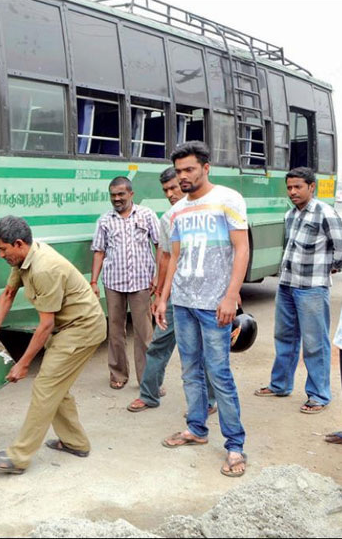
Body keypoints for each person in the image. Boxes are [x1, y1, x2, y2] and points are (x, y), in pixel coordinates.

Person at [0, 216, 106, 474]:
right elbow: (8, 294)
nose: (1, 255)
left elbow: (45, 325)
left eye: (3, 249)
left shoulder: (44, 269)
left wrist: (23, 364)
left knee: (46, 387)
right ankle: (75, 442)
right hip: (67, 326)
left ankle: (18, 457)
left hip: (82, 329)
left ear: (18, 243)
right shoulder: (24, 257)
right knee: (56, 386)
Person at [154, 141, 249, 478]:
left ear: (206, 168)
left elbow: (241, 249)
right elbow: (174, 258)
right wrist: (164, 297)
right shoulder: (177, 211)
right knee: (189, 370)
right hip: (183, 302)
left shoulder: (227, 199)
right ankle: (196, 428)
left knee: (219, 373)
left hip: (214, 305)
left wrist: (230, 295)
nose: (183, 177)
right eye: (179, 171)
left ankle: (235, 444)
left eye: (189, 169)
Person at [126, 167, 216, 414]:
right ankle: (149, 395)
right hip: (177, 296)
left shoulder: (208, 210)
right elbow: (166, 258)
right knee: (158, 346)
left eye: (173, 188)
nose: (170, 194)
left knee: (204, 350)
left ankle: (209, 402)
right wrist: (160, 297)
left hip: (206, 295)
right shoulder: (168, 218)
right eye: (165, 190)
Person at [254, 167, 342, 414]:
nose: (292, 192)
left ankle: (319, 395)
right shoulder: (291, 215)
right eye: (289, 187)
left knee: (315, 343)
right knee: (284, 338)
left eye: (298, 187)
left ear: (311, 187)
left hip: (312, 288)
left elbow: (341, 248)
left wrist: (329, 267)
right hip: (287, 285)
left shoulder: (325, 213)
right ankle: (280, 384)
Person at [90, 176, 160, 390]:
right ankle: (118, 373)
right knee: (115, 331)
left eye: (121, 194)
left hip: (141, 284)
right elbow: (99, 252)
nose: (117, 199)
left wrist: (158, 276)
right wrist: (93, 281)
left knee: (144, 333)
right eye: (113, 195)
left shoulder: (147, 215)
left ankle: (148, 380)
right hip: (113, 283)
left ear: (131, 194)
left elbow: (160, 246)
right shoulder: (104, 221)